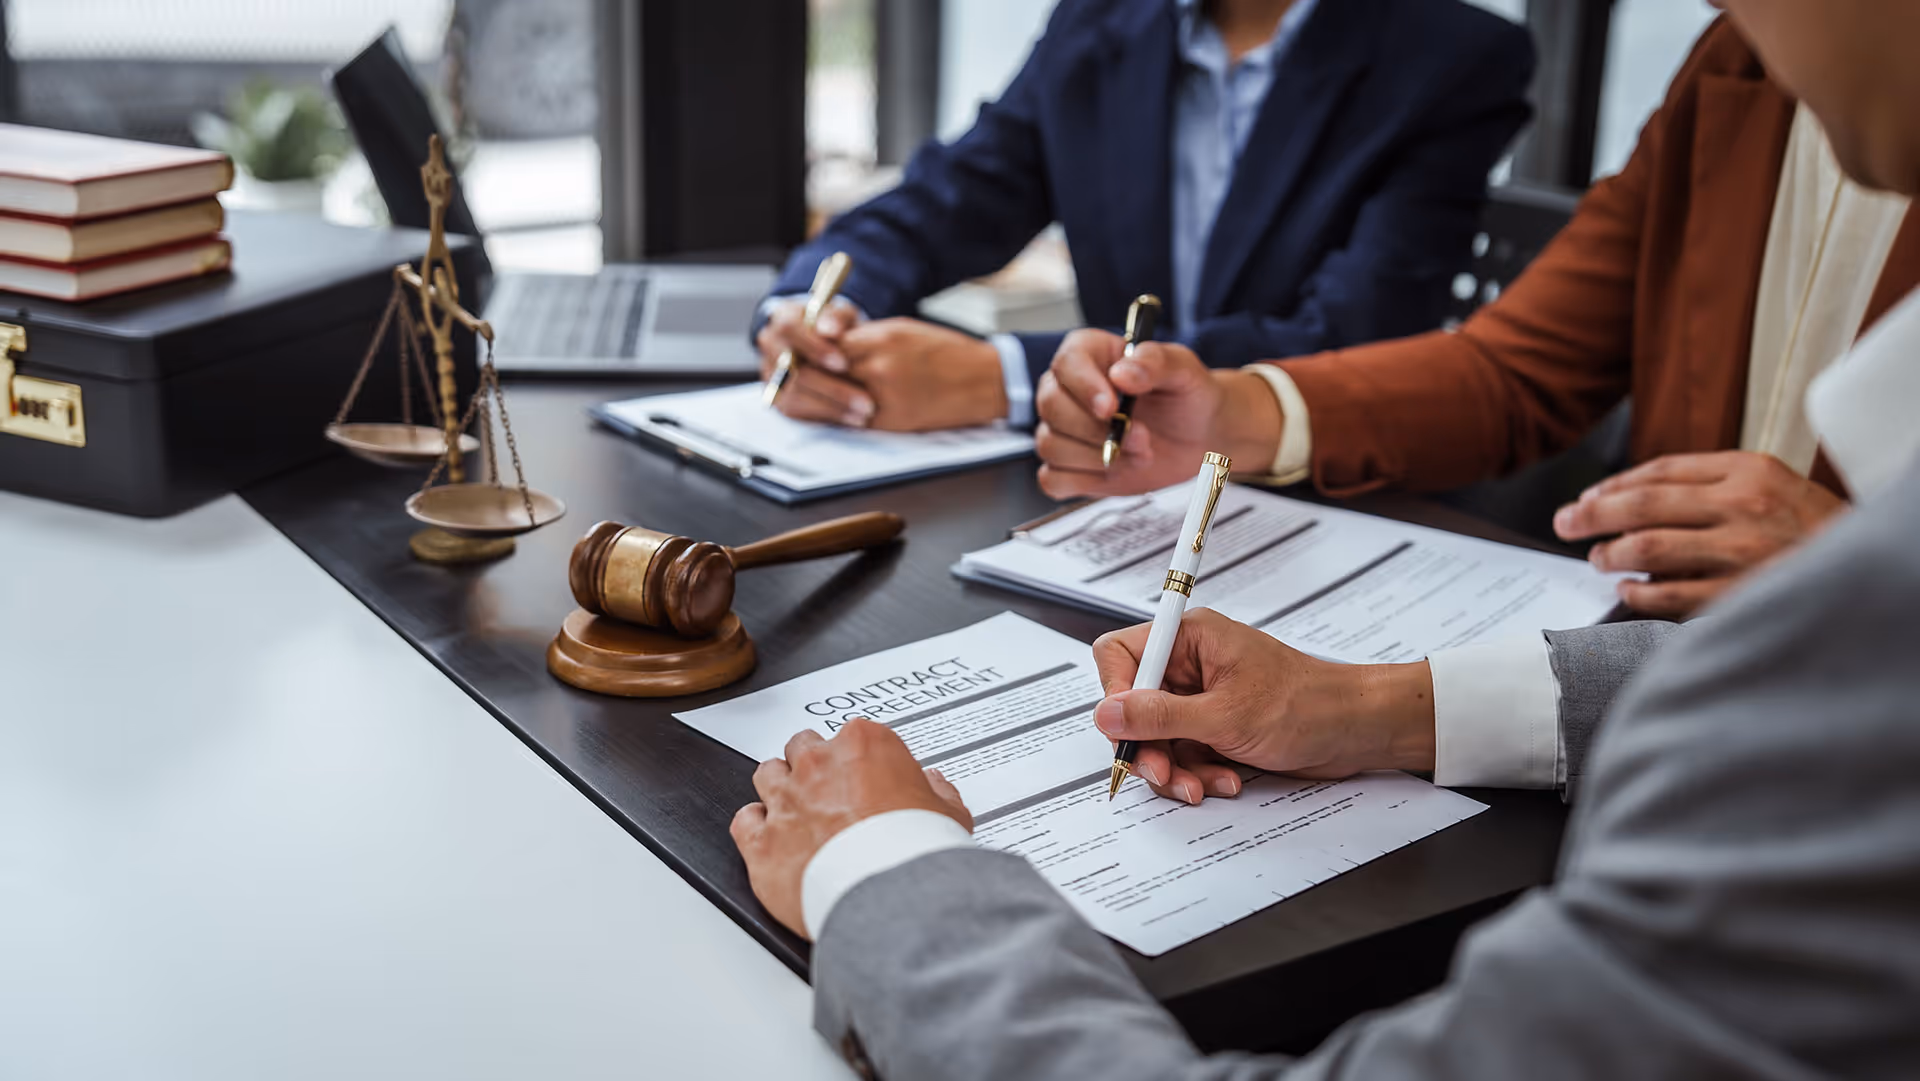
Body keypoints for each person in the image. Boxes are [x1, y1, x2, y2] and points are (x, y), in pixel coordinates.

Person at [729, 4, 1920, 1075]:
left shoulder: (1858, 689)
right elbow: (1521, 352)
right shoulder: (1740, 68)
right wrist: (1371, 705)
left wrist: (882, 871)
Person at [1034, 14, 1919, 619]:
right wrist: (1238, 413)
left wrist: (1876, 583)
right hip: (1656, 692)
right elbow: (1518, 367)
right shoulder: (1733, 62)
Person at [754, 0, 1534, 432]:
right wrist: (815, 312)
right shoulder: (1098, 24)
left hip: (1323, 491)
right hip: (1108, 484)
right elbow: (950, 197)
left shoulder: (1452, 57)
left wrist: (1003, 378)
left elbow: (1350, 337)